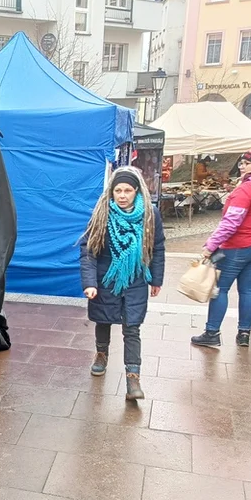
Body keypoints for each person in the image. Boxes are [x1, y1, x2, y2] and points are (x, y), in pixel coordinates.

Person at [80, 167, 165, 400]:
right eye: (118, 190)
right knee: (103, 319)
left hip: (136, 277)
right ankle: (101, 354)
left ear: (136, 191)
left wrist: (156, 278)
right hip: (106, 278)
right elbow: (89, 251)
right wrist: (90, 282)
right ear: (111, 191)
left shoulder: (150, 213)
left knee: (132, 327)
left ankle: (133, 378)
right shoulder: (101, 213)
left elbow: (157, 247)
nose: (122, 195)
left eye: (128, 190)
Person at [191, 141, 251, 349]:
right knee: (249, 290)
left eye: (246, 163)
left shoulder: (247, 190)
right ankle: (244, 334)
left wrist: (210, 246)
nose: (241, 166)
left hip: (236, 247)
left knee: (220, 290)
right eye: (241, 163)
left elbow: (231, 223)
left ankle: (212, 332)